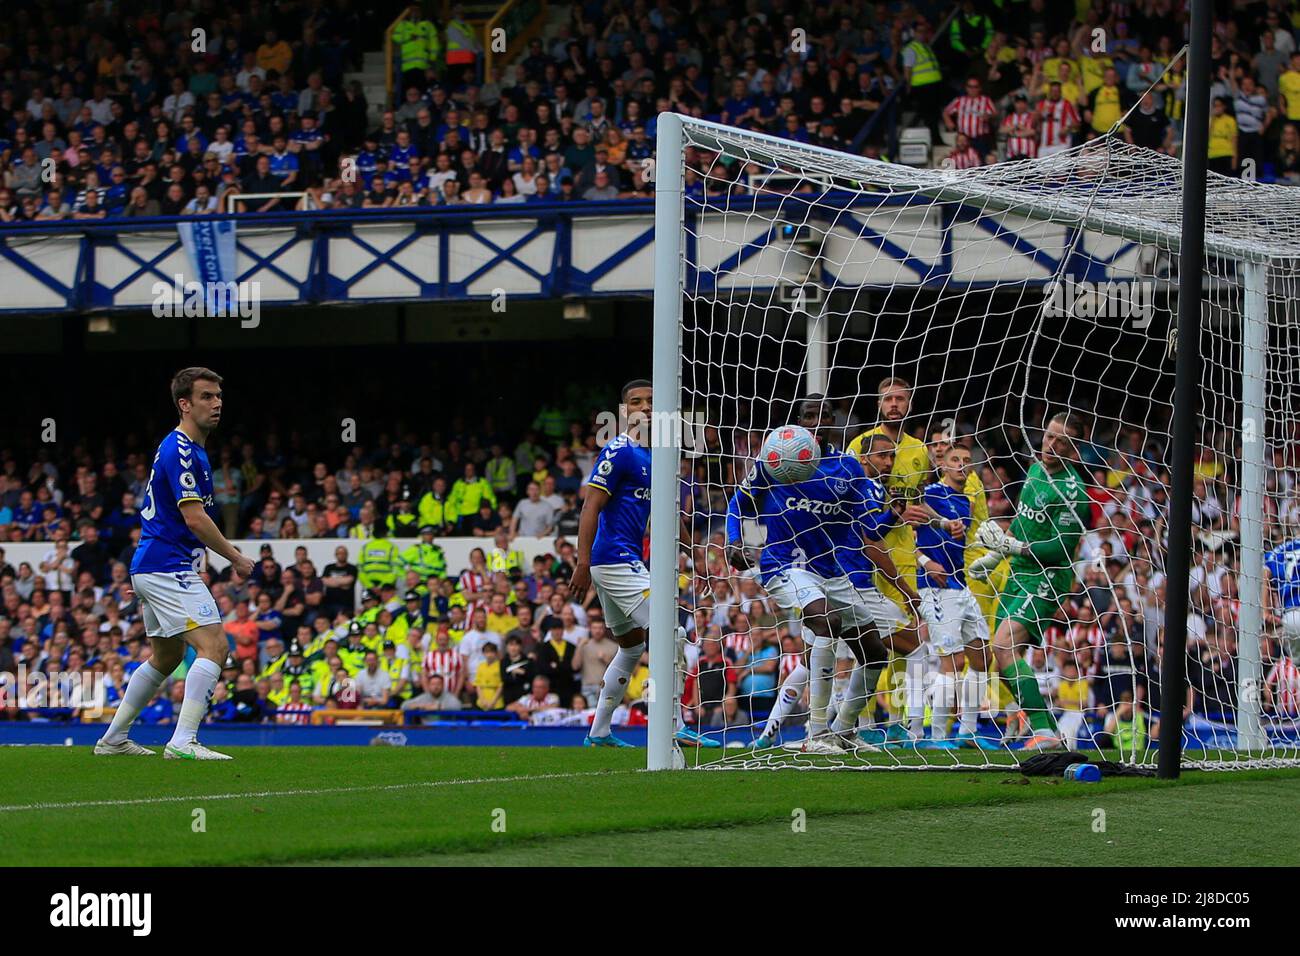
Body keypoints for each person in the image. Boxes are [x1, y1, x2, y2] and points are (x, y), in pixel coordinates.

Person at [94, 367, 254, 759]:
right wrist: (235, 557)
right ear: (184, 404)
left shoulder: (193, 450)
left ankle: (113, 739)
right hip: (166, 565)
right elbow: (194, 517)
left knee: (166, 657)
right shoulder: (180, 449)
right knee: (215, 645)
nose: (216, 404)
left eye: (218, 396)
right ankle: (183, 741)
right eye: (205, 397)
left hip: (154, 563)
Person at [573, 379, 717, 748]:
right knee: (675, 634)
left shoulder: (663, 456)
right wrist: (582, 562)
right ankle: (672, 724)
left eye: (652, 400)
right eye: (636, 402)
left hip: (624, 560)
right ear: (624, 412)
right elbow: (591, 505)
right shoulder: (619, 451)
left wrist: (696, 556)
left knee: (632, 646)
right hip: (613, 559)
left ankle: (599, 732)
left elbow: (672, 512)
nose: (646, 407)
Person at [971, 412, 1092, 751]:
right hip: (1019, 572)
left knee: (1004, 645)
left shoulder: (1074, 491)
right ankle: (1023, 716)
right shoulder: (1036, 469)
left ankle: (1045, 730)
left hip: (1046, 577)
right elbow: (1023, 523)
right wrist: (997, 555)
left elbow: (1060, 549)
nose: (1050, 445)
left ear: (1073, 449)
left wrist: (1016, 547)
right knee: (1003, 656)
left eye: (1061, 442)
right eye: (1049, 436)